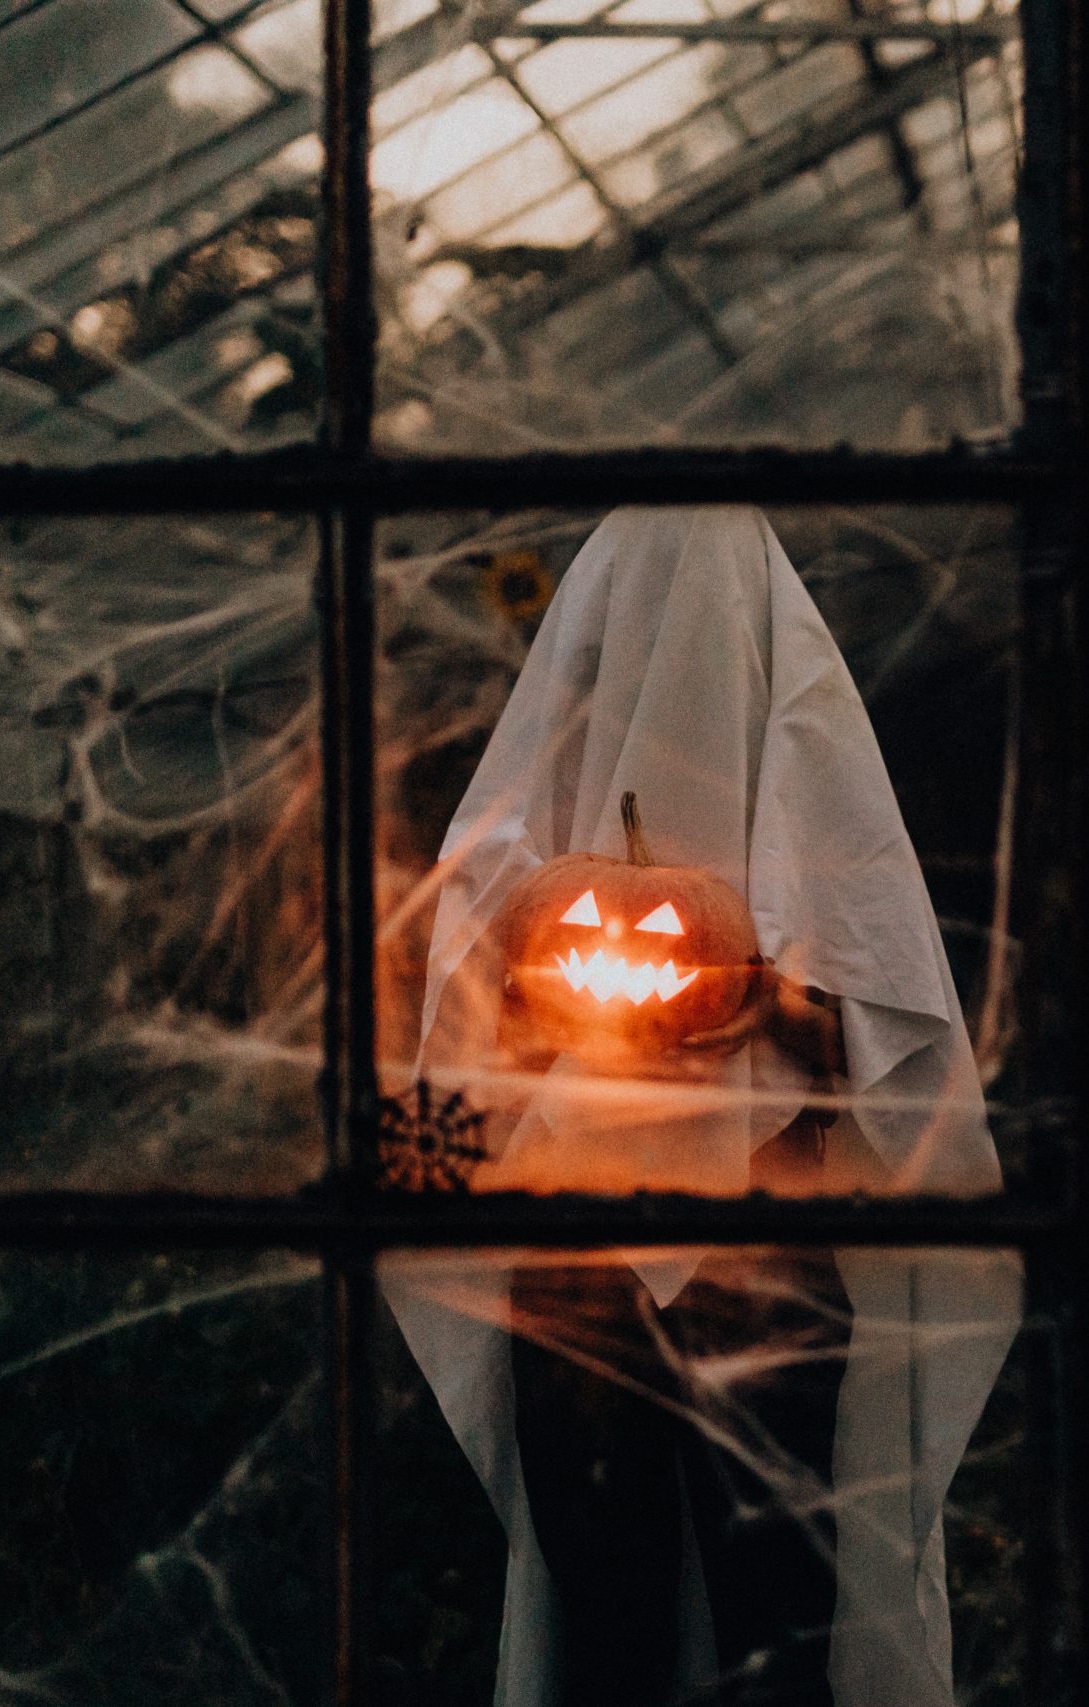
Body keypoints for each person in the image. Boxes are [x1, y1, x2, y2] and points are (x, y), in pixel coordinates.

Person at [387, 506, 1019, 1707]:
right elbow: (456, 1031)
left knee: (776, 1605)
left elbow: (896, 1024)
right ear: (596, 618)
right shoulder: (523, 817)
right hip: (578, 1253)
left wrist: (769, 1006)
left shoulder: (815, 767)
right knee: (605, 1606)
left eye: (705, 612)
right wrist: (535, 998)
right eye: (640, 610)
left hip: (760, 1244)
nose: (669, 646)